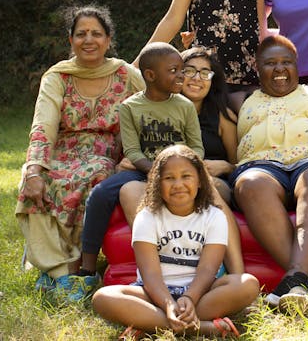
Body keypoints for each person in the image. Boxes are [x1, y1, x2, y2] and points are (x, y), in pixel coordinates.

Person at [16, 6, 144, 298]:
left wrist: (134, 156)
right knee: (34, 184)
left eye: (96, 33)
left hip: (107, 154)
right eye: (81, 34)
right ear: (70, 40)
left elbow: (156, 101)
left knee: (94, 173)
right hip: (61, 151)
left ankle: (75, 269)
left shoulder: (126, 74)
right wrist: (35, 167)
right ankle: (57, 269)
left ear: (108, 40)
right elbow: (43, 123)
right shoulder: (57, 77)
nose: (89, 40)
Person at [229, 35, 308, 315]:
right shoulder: (240, 97)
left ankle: (294, 279)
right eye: (270, 63)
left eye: (287, 62)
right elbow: (193, 85)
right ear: (257, 68)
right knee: (250, 183)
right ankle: (305, 281)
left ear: (297, 66)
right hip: (261, 167)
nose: (280, 69)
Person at [92, 145, 259, 339]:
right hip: (153, 294)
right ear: (156, 183)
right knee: (103, 298)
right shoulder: (147, 217)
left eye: (186, 176)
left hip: (200, 293)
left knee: (248, 284)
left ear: (200, 181)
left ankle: (148, 323)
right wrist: (168, 304)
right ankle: (199, 327)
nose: (178, 184)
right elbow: (150, 274)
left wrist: (189, 297)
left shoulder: (214, 216)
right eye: (169, 178)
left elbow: (207, 269)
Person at [77, 42, 204, 296]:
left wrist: (180, 168)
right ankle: (87, 270)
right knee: (99, 195)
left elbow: (197, 148)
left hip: (180, 169)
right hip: (141, 168)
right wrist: (155, 170)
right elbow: (133, 151)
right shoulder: (130, 107)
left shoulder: (185, 106)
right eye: (174, 70)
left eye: (182, 70)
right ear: (150, 75)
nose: (181, 76)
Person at [118, 46, 246, 274]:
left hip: (210, 179)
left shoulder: (222, 115)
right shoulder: (147, 108)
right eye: (189, 71)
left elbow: (239, 164)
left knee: (210, 189)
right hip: (161, 178)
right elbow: (132, 149)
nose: (197, 78)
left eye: (205, 73)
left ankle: (236, 273)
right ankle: (161, 270)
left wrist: (226, 165)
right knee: (129, 191)